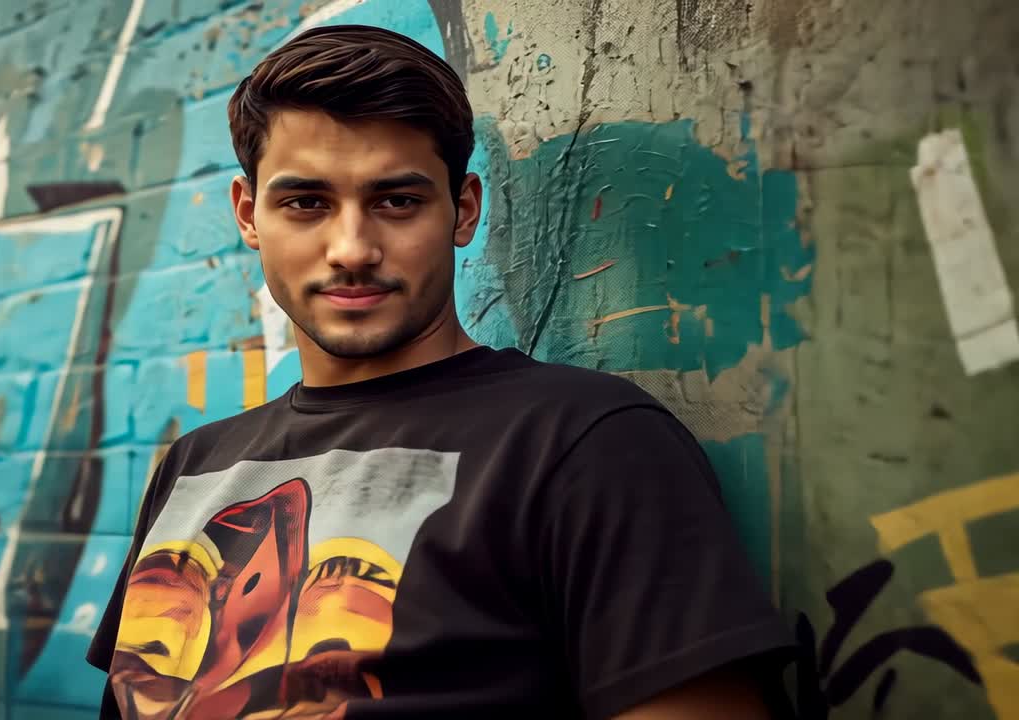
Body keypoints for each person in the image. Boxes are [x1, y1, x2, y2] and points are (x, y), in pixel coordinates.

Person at [87, 23, 795, 720]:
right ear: (248, 215)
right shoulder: (195, 466)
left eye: (397, 200)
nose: (352, 248)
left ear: (463, 211)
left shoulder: (584, 444)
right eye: (306, 203)